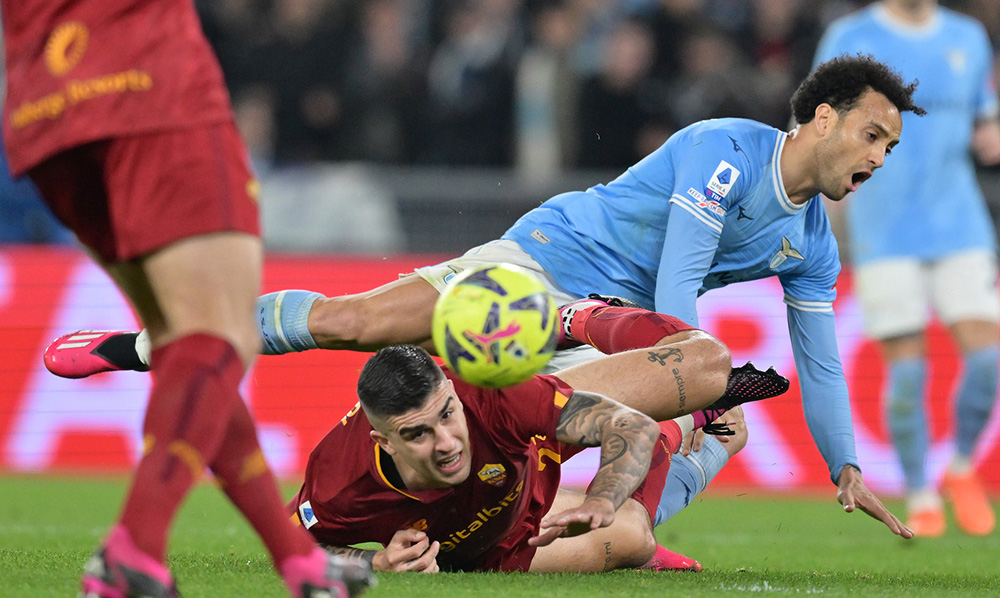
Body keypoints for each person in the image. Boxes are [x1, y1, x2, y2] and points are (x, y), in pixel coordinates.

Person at [45, 55, 922, 539]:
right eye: (872, 134)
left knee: (703, 406)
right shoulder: (724, 147)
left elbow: (821, 361)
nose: (878, 158)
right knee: (353, 322)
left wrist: (844, 464)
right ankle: (131, 348)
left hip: (600, 331)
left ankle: (570, 529)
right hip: (539, 267)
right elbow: (678, 279)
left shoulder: (808, 244)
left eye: (890, 145)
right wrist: (688, 385)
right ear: (822, 118)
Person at [0, 2, 372, 597]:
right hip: (149, 86)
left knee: (189, 348)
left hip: (43, 105)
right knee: (218, 338)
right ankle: (135, 547)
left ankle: (297, 558)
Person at [291, 302, 775, 573]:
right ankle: (702, 436)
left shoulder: (489, 392)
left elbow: (628, 427)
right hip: (495, 550)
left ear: (455, 394)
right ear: (384, 442)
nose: (446, 442)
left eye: (447, 414)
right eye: (418, 433)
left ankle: (578, 319)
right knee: (633, 537)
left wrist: (603, 497)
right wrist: (378, 564)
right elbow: (297, 544)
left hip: (525, 439)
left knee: (707, 364)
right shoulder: (338, 485)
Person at [813, 0, 1000, 537]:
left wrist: (988, 133)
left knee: (987, 362)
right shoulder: (851, 34)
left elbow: (981, 117)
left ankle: (961, 470)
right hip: (883, 228)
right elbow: (815, 122)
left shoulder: (967, 36)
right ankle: (920, 493)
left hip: (959, 223)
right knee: (908, 370)